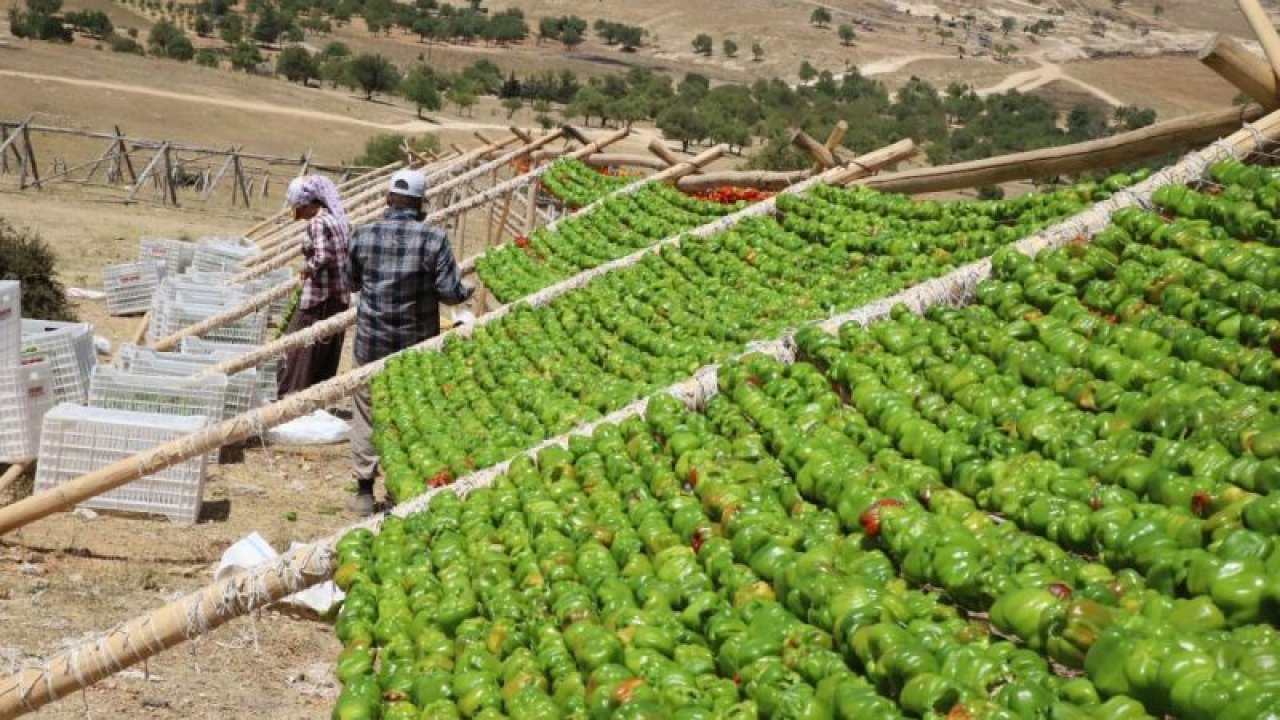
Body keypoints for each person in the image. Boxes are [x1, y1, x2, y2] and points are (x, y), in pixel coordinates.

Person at [345, 169, 474, 515]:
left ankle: (364, 489)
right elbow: (450, 293)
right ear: (421, 204)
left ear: (388, 199)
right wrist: (467, 290)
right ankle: (405, 488)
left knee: (367, 411)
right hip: (416, 348)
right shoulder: (434, 239)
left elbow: (351, 283)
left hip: (371, 341)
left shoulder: (363, 235)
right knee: (413, 411)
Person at [276, 175, 352, 398]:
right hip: (338, 295)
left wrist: (307, 268)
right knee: (323, 349)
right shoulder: (337, 219)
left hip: (320, 296)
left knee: (299, 348)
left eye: (300, 208)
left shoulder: (318, 222)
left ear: (310, 204)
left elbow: (323, 256)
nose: (299, 213)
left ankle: (292, 398)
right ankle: (316, 398)